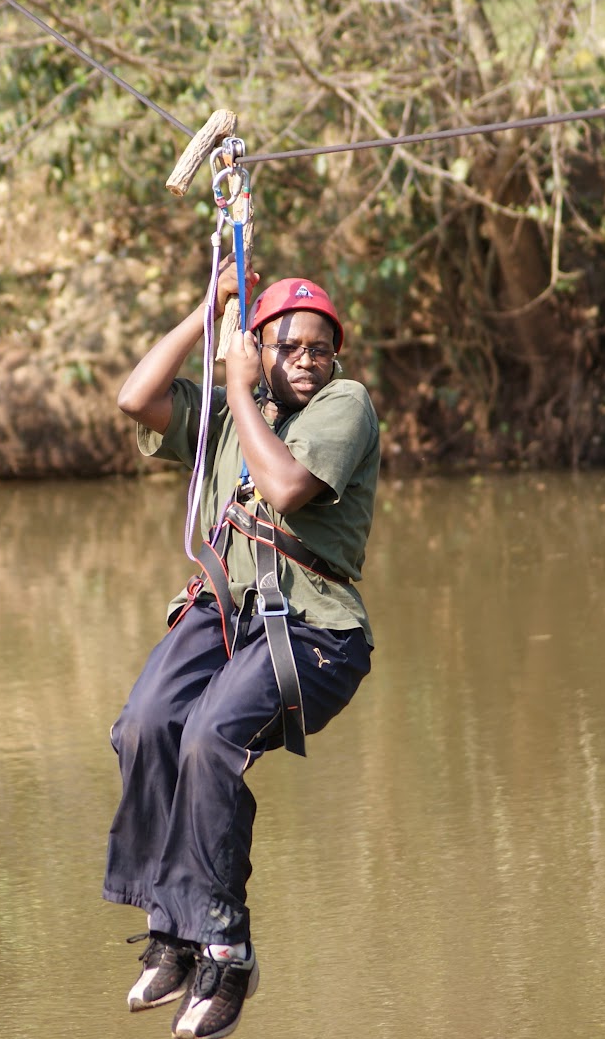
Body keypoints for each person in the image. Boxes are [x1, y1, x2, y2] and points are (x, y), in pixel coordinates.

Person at [105, 262, 380, 1039]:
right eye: (287, 345)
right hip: (229, 613)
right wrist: (209, 313)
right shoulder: (236, 409)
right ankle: (172, 926)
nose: (305, 358)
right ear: (259, 349)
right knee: (146, 723)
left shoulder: (344, 405)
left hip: (312, 631)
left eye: (319, 347)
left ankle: (225, 946)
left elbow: (287, 486)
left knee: (210, 736)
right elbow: (136, 398)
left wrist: (237, 383)